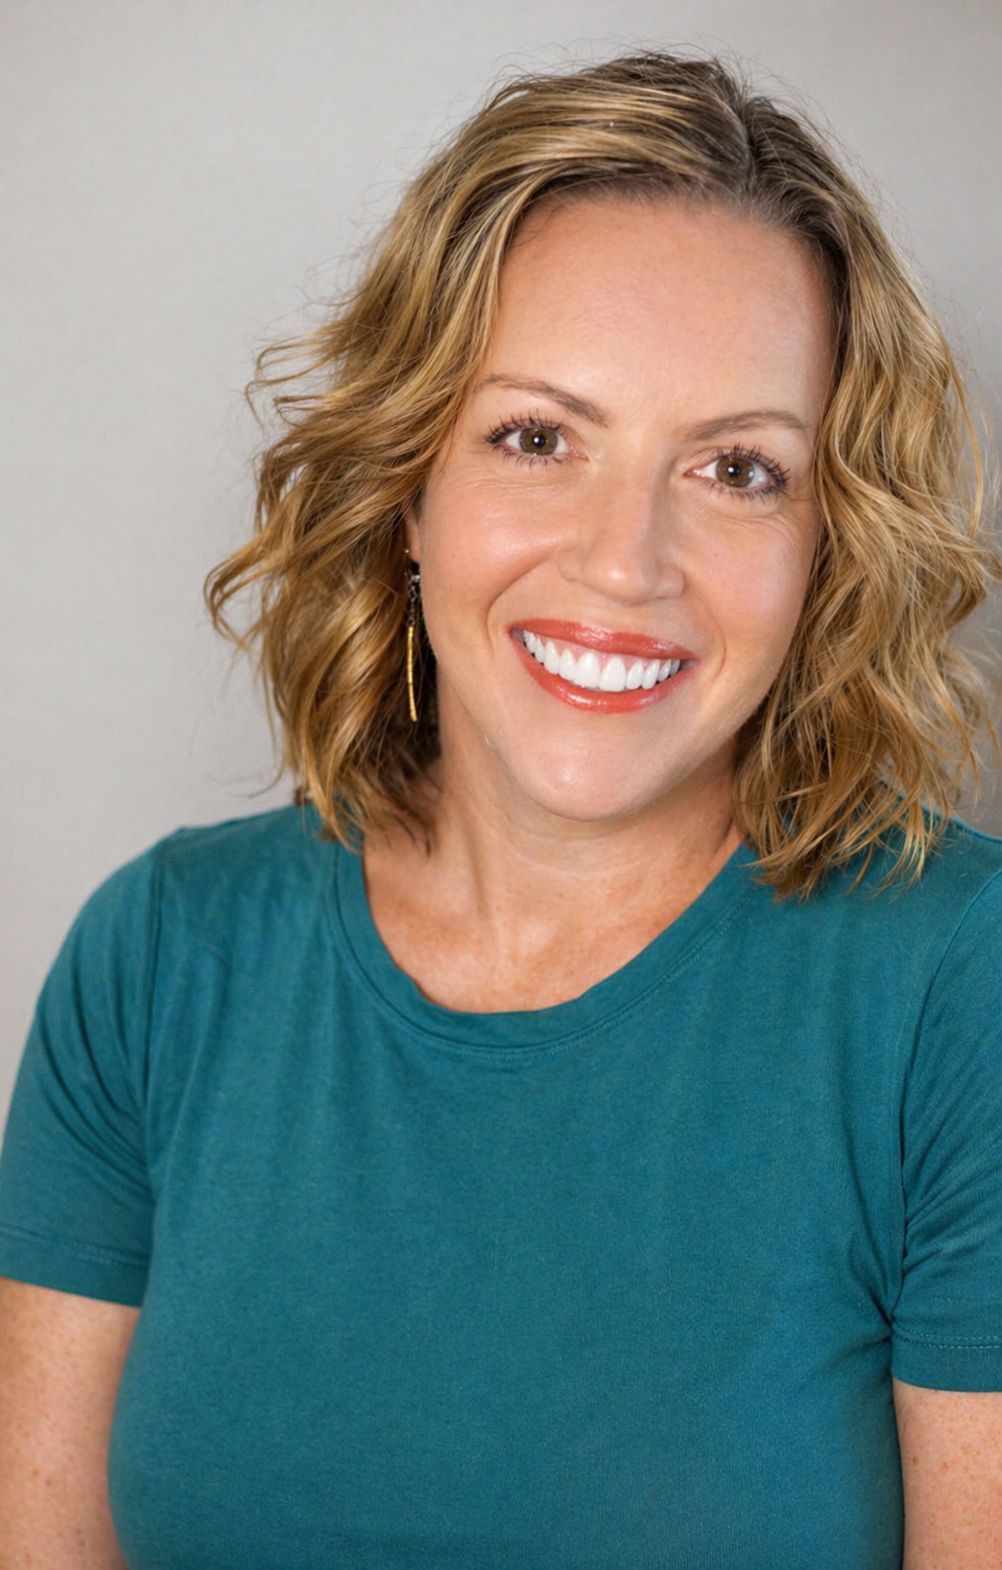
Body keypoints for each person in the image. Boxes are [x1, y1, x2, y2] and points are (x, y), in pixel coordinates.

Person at [1, 48, 1000, 1570]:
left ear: (829, 545)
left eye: (738, 469)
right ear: (409, 486)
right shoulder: (160, 961)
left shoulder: (957, 992)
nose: (624, 561)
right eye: (538, 438)